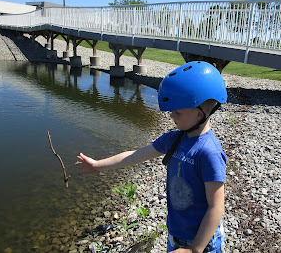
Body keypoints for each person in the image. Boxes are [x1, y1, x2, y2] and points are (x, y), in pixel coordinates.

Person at [76, 61, 227, 253]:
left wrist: (194, 249)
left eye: (177, 112)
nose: (171, 115)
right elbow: (134, 156)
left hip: (202, 241)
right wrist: (98, 165)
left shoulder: (208, 152)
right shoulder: (173, 139)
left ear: (199, 115)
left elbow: (216, 207)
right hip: (176, 234)